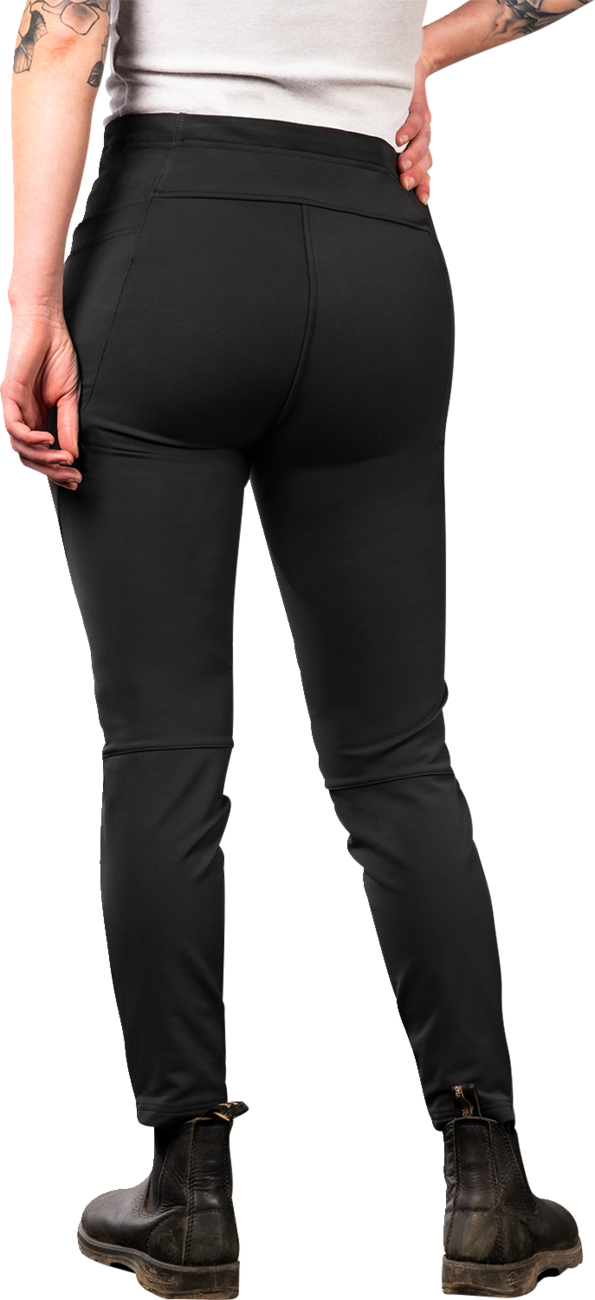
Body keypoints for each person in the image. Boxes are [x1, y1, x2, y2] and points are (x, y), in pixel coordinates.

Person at [2, 3, 589, 1297]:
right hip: (374, 246)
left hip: (169, 244)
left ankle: (186, 1192)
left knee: (163, 747)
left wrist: (32, 305)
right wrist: (406, 56)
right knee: (398, 755)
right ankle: (489, 1183)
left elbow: (65, 38)